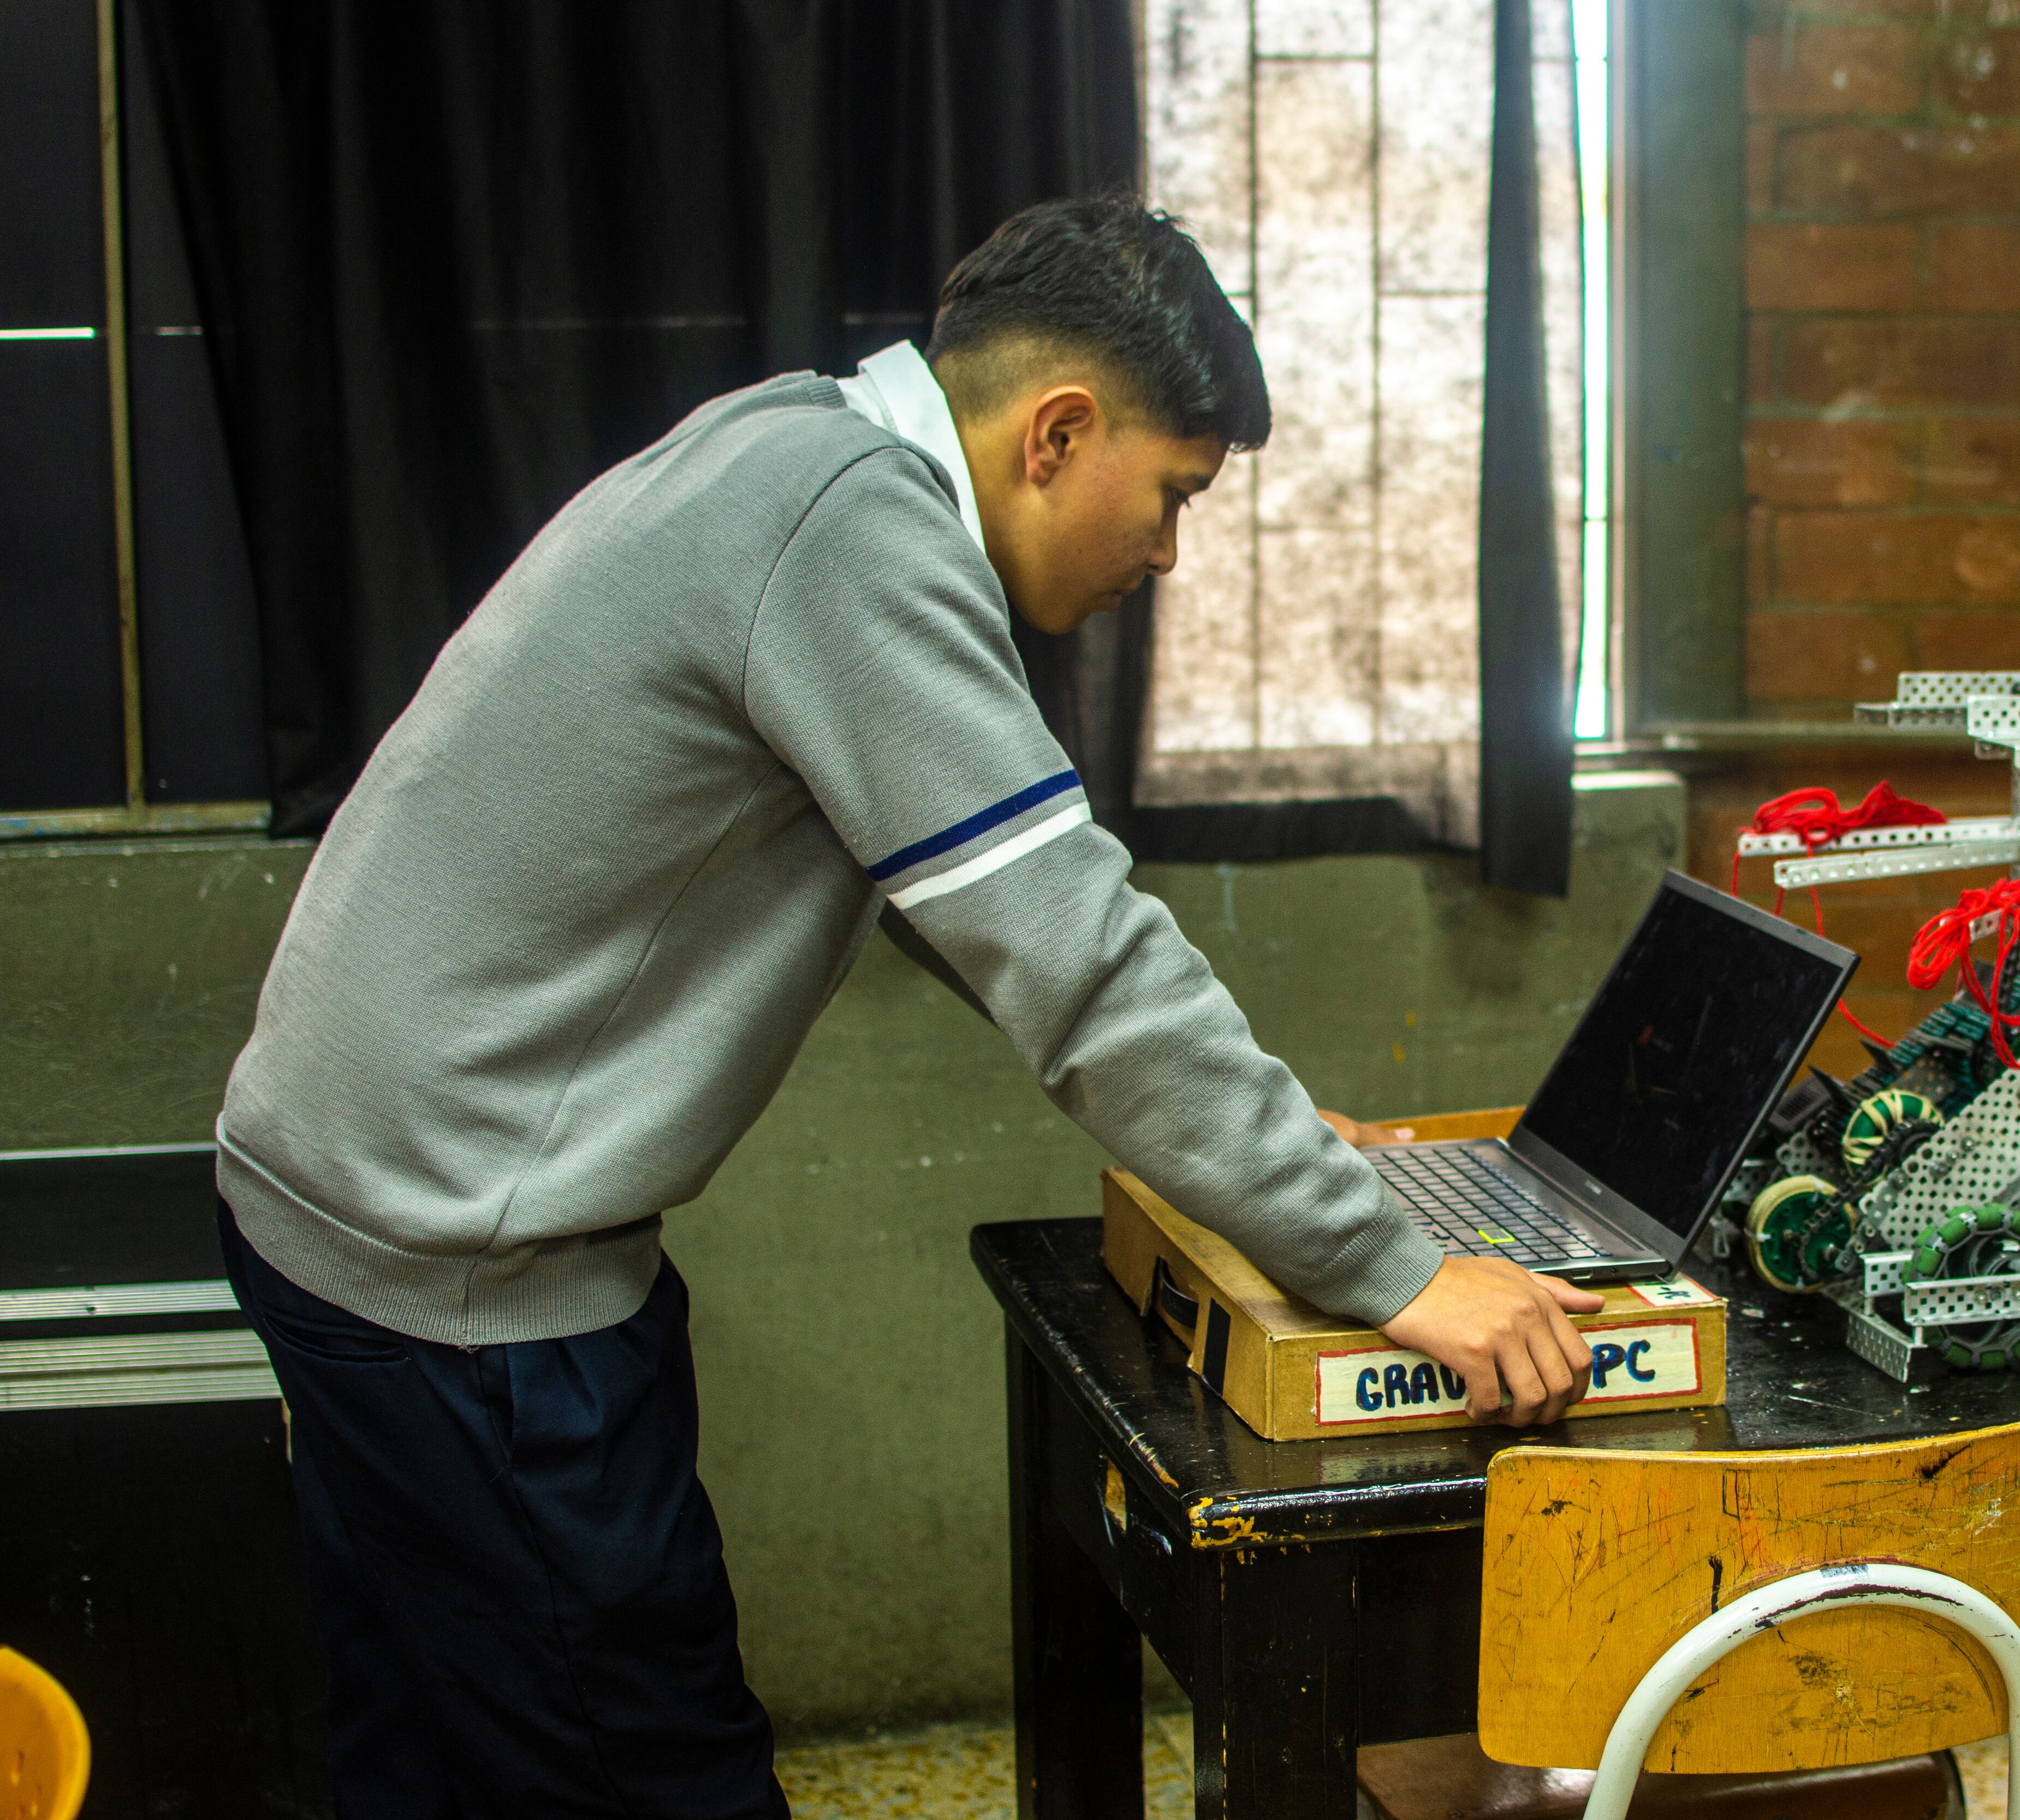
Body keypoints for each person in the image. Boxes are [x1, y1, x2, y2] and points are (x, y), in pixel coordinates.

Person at [213, 193, 1600, 1819]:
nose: (1166, 556)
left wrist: (1279, 1149)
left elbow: (970, 912)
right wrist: (1399, 1269)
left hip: (339, 1204)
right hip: (457, 1276)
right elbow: (1081, 965)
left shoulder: (790, 447)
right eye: (1172, 495)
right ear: (1057, 433)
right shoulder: (855, 537)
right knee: (654, 1773)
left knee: (435, 1764)